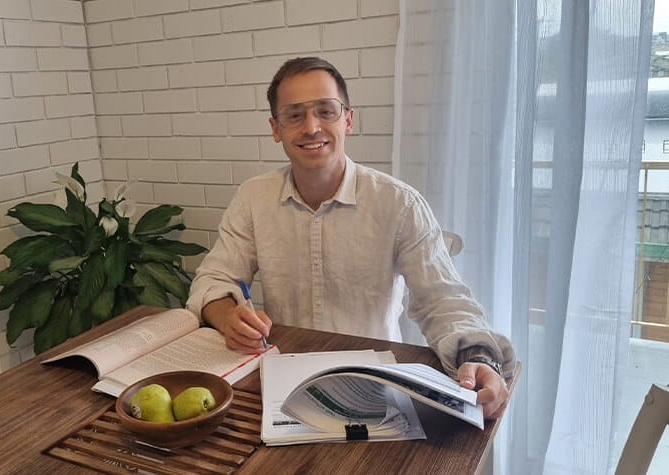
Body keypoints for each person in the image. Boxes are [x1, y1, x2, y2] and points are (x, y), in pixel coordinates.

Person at [185, 57, 514, 419]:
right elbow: (213, 279)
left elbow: (444, 301)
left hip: (375, 385)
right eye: (294, 115)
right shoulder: (253, 198)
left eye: (326, 111)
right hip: (283, 379)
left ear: (348, 120)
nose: (311, 127)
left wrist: (480, 359)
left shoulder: (399, 203)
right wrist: (228, 317)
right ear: (276, 128)